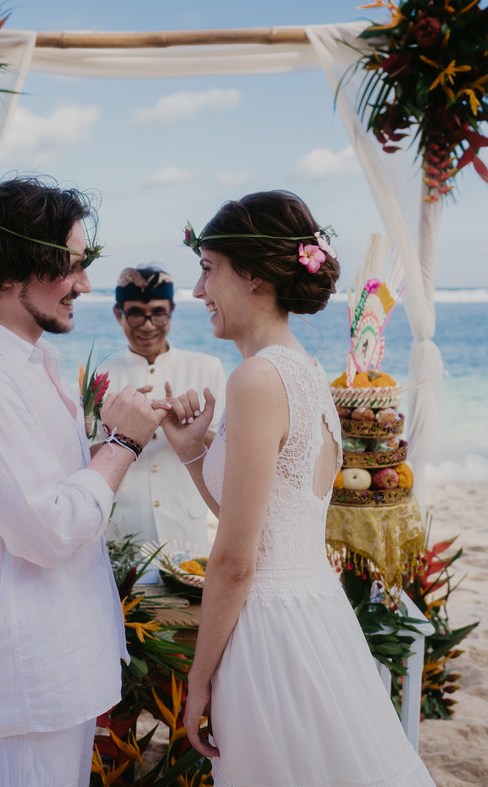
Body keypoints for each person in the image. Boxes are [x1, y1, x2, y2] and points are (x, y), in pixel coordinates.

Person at [156, 191, 437, 786]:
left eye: (208, 269)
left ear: (253, 277)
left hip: (268, 634)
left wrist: (198, 679)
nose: (198, 290)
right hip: (315, 613)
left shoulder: (256, 380)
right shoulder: (305, 371)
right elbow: (262, 519)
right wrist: (193, 451)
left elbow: (236, 561)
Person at [0, 177, 165, 787]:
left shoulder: (24, 363)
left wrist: (119, 437)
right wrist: (123, 444)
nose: (84, 285)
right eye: (71, 266)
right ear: (16, 269)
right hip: (25, 670)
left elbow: (45, 481)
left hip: (55, 654)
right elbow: (48, 529)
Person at [104, 266, 226, 554]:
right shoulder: (101, 376)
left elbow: (228, 453)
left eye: (158, 313)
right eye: (136, 313)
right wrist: (125, 433)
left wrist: (192, 433)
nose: (148, 326)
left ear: (171, 311)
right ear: (118, 314)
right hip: (122, 533)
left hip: (187, 527)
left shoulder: (207, 368)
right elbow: (84, 457)